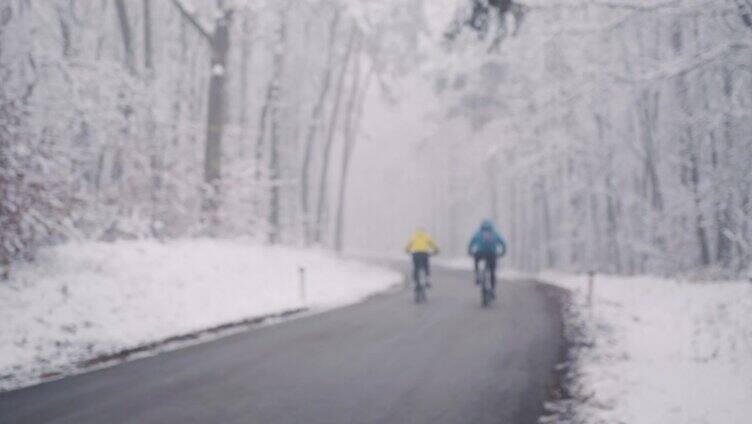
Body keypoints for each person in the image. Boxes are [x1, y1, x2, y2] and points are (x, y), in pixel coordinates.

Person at [467, 220, 507, 294]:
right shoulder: (495, 234)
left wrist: (470, 251)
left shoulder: (478, 233)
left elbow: (471, 242)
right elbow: (503, 243)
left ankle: (477, 274)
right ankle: (492, 289)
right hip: (492, 254)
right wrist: (503, 252)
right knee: (492, 271)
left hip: (480, 253)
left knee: (476, 260)